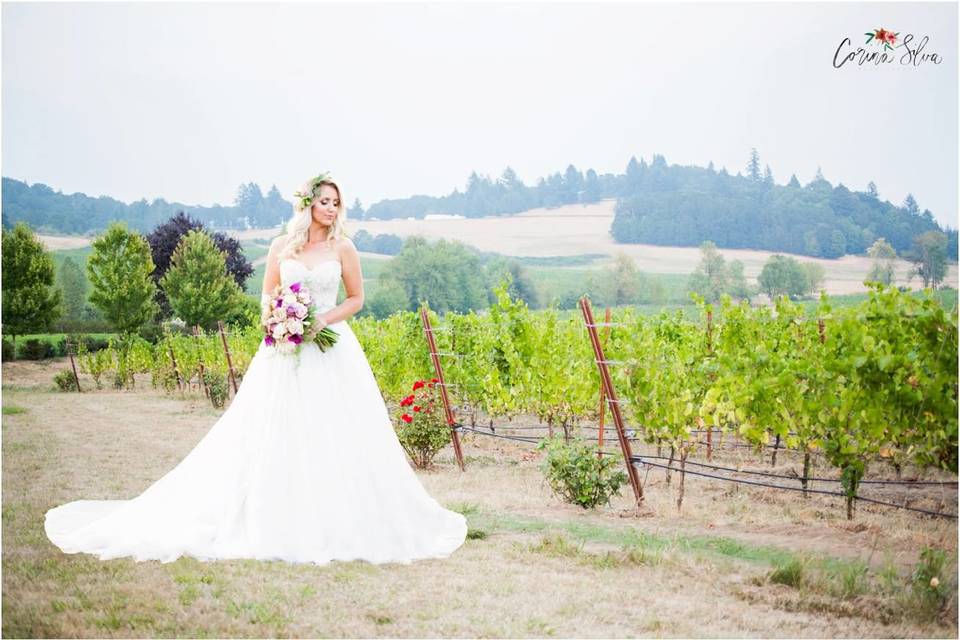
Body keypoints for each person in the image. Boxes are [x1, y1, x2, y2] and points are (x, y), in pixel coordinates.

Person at [44, 173, 468, 566]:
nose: (331, 209)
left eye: (337, 203)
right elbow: (267, 296)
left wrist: (320, 319)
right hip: (283, 350)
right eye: (324, 201)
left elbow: (356, 299)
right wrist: (280, 319)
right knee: (272, 427)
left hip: (330, 347)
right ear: (307, 203)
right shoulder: (282, 247)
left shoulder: (344, 248)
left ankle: (338, 513)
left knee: (335, 429)